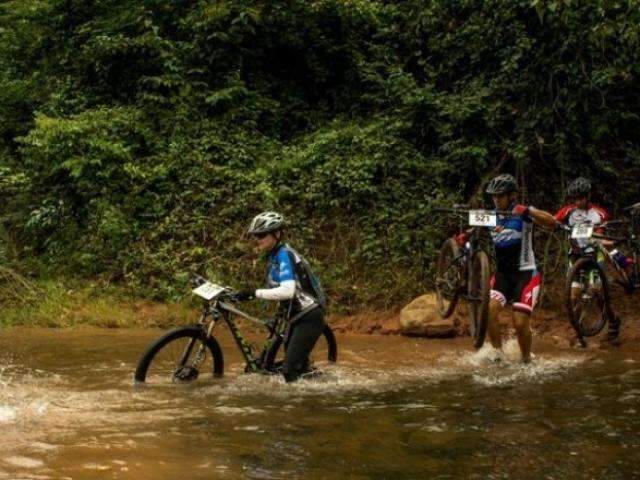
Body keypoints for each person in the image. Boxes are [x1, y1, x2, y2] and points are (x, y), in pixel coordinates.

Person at [235, 211, 326, 382]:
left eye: (261, 235)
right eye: (255, 235)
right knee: (293, 363)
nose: (257, 239)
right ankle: (309, 376)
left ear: (276, 234)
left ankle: (313, 399)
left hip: (308, 316)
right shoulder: (274, 256)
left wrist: (254, 293)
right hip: (294, 316)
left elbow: (287, 291)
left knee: (289, 371)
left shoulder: (284, 254)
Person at [485, 174, 557, 363]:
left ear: (511, 195)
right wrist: (464, 237)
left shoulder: (523, 214)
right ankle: (498, 354)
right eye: (494, 196)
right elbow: (474, 228)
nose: (496, 200)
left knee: (519, 322)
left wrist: (529, 211)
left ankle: (526, 360)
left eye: (500, 196)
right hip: (502, 275)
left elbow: (552, 222)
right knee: (489, 311)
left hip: (526, 274)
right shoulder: (490, 216)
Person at [554, 177, 622, 343]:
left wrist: (605, 240)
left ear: (588, 196)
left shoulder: (599, 214)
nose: (577, 202)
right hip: (575, 255)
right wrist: (554, 225)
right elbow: (553, 221)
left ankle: (613, 320)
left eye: (581, 198)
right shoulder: (567, 211)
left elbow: (601, 234)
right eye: (574, 198)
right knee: (574, 296)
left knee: (597, 292)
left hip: (594, 254)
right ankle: (578, 331)